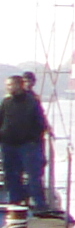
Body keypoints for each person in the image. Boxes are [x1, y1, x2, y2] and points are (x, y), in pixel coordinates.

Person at [0, 74, 48, 214]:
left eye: (10, 85)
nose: (8, 88)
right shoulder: (6, 102)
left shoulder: (32, 102)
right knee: (11, 175)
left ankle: (39, 204)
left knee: (33, 175)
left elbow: (40, 123)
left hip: (27, 144)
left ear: (19, 85)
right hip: (8, 144)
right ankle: (15, 201)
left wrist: (33, 138)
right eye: (7, 85)